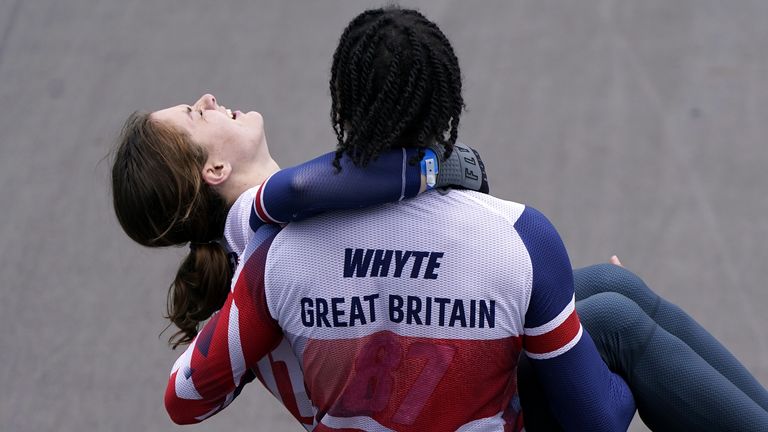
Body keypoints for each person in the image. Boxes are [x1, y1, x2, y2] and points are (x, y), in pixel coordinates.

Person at [109, 6, 768, 432]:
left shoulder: (295, 212)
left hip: (425, 381)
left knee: (609, 288)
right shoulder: (265, 253)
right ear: (213, 172)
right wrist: (432, 172)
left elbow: (320, 187)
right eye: (196, 116)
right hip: (452, 408)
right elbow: (183, 395)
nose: (208, 98)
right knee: (610, 317)